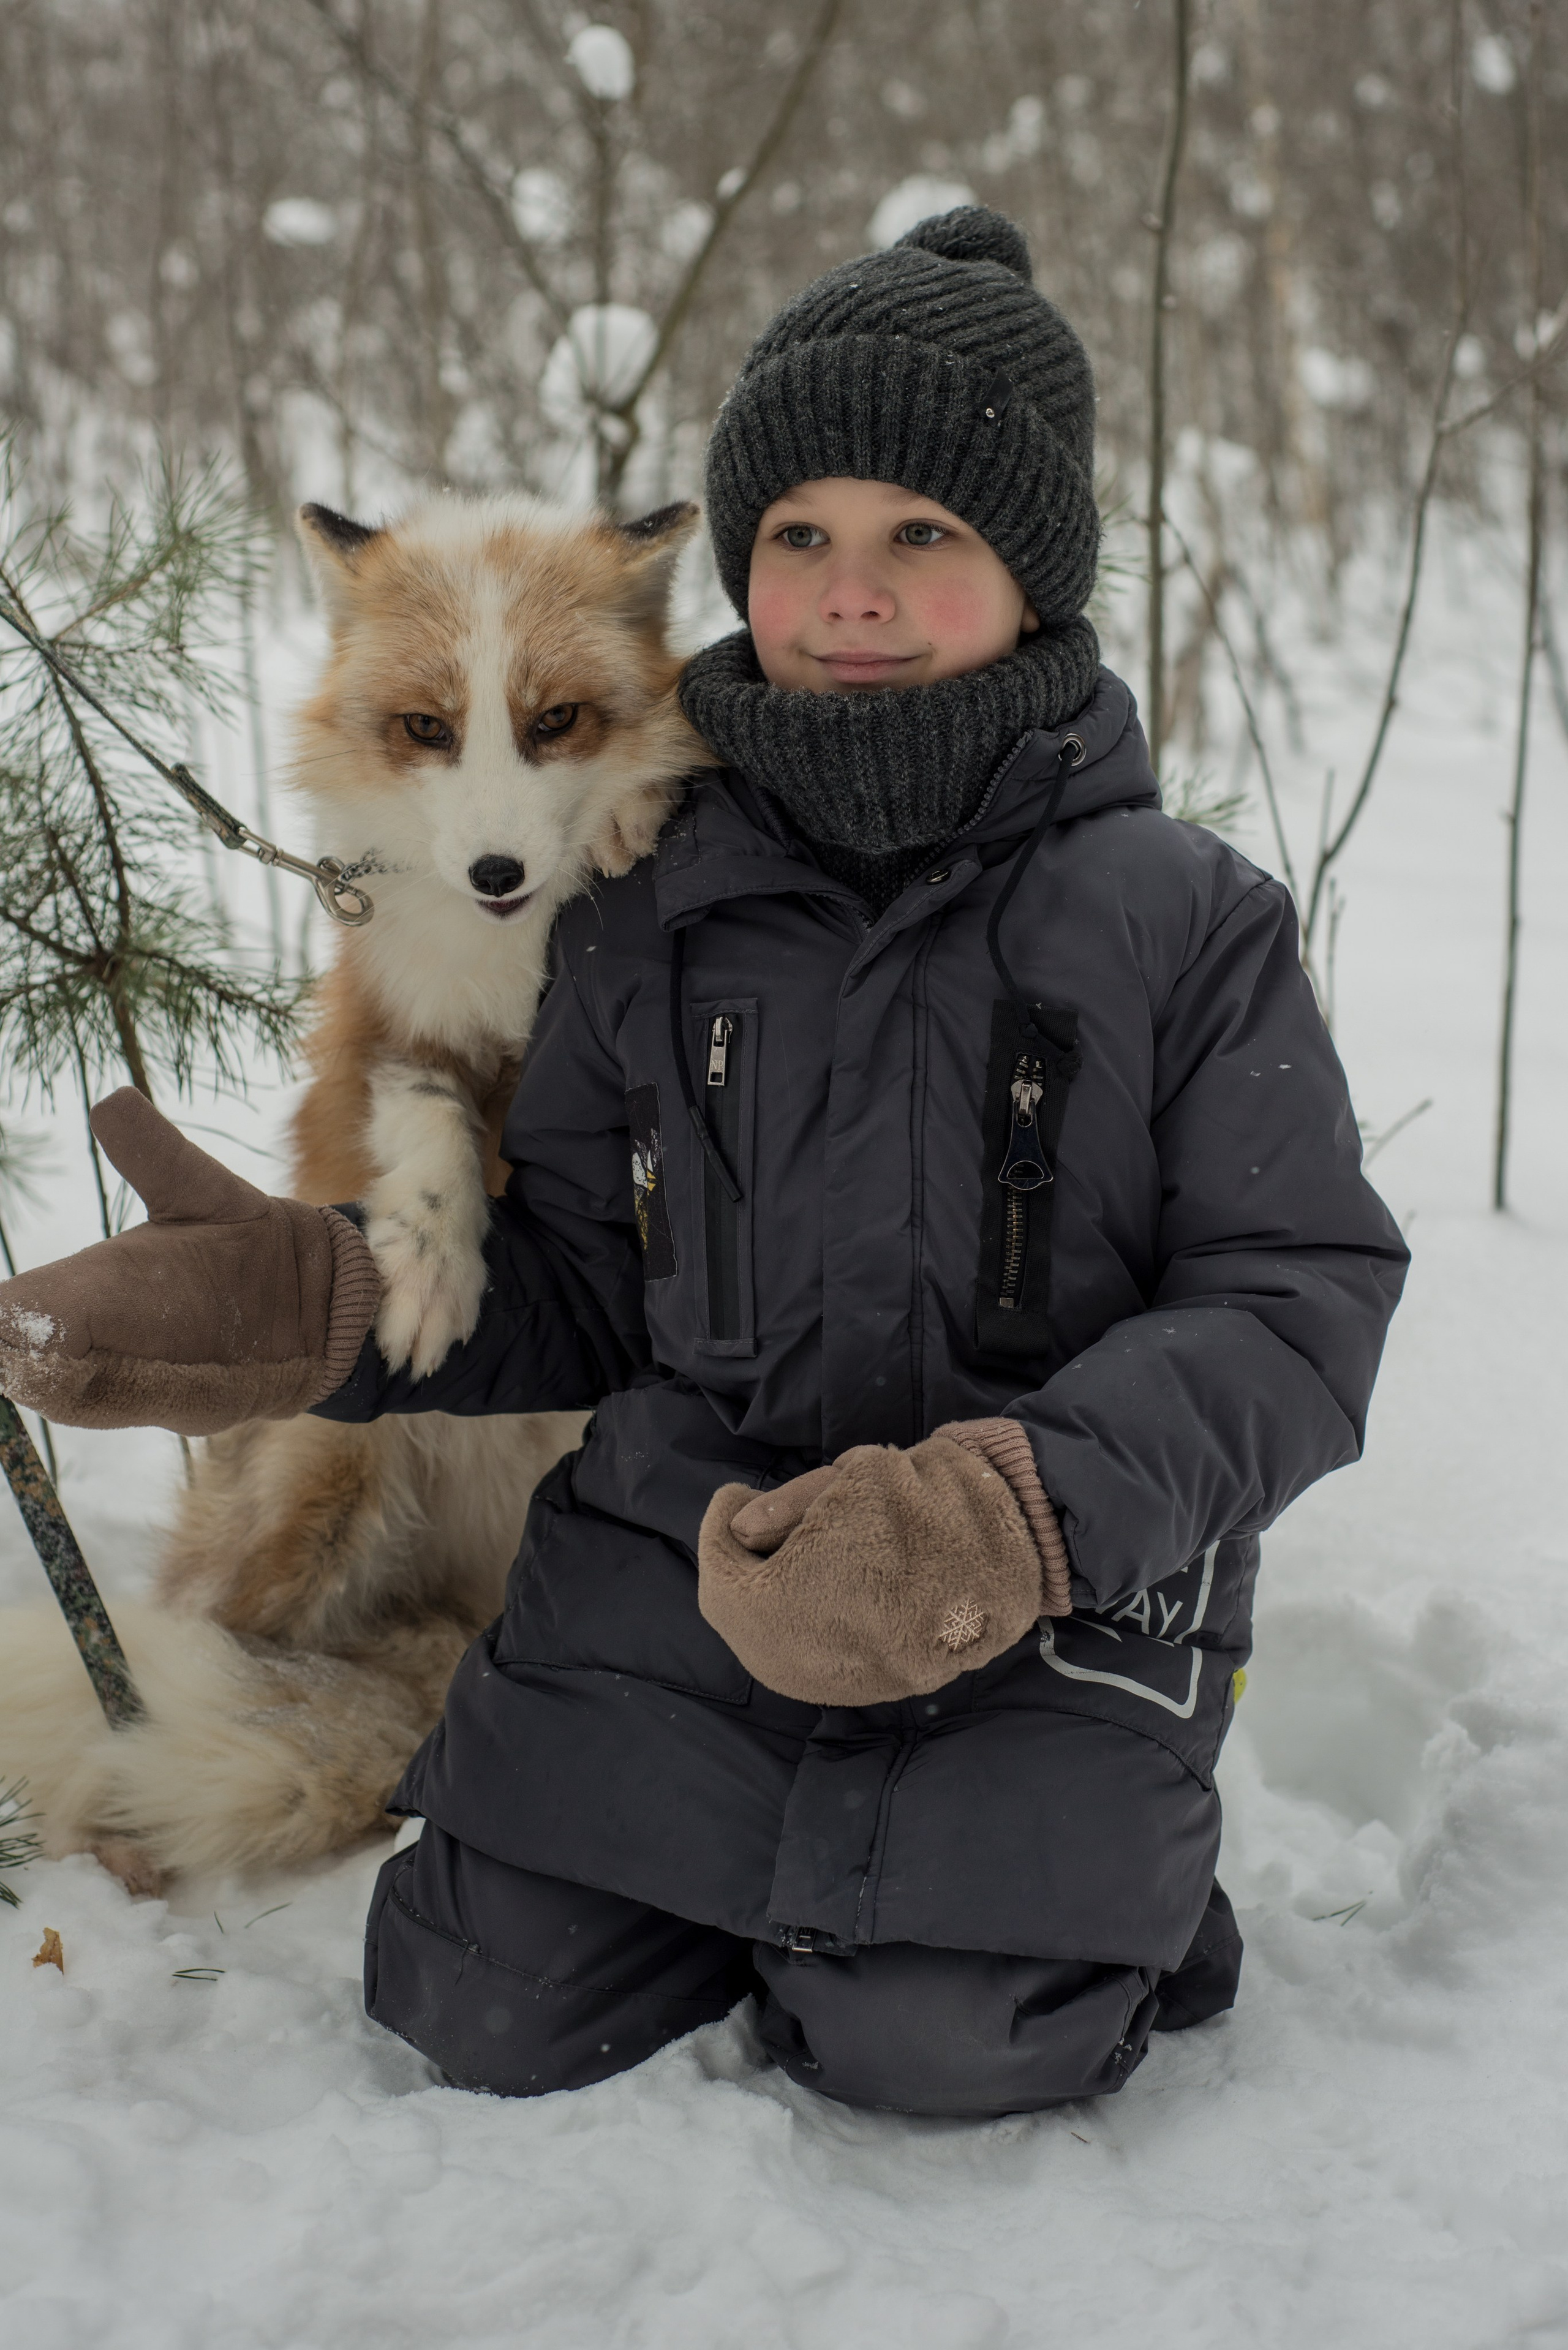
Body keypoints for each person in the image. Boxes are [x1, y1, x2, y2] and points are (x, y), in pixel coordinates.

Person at [0, 209, 1408, 2117]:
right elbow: (581, 1274)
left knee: (946, 2042)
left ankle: (1005, 1911)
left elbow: (1298, 1302)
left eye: (925, 535)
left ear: (1035, 571)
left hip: (1047, 1598)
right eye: (801, 536)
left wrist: (1008, 1518)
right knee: (471, 1999)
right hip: (695, 1571)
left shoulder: (1183, 915)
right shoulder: (651, 900)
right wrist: (309, 1299)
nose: (853, 591)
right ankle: (788, 1886)